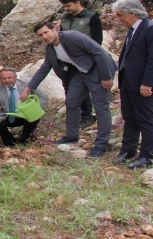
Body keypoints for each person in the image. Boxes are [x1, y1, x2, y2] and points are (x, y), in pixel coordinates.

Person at [21, 22, 117, 158]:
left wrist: (106, 76)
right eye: (41, 35)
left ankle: (101, 145)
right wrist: (29, 88)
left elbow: (99, 52)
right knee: (71, 102)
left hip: (98, 70)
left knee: (101, 107)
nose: (45, 36)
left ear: (55, 29)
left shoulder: (73, 37)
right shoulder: (50, 49)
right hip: (81, 73)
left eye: (46, 32)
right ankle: (72, 135)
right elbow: (44, 68)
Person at [111, 0, 153, 169]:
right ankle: (128, 151)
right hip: (129, 82)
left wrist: (148, 83)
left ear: (132, 13)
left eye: (120, 15)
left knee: (145, 119)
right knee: (130, 118)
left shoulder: (152, 29)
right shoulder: (134, 29)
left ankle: (148, 156)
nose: (118, 19)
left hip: (143, 84)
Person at [59, 0, 104, 129]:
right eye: (64, 6)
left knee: (85, 88)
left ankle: (87, 116)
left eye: (68, 5)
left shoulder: (91, 17)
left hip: (85, 59)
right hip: (68, 59)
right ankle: (75, 116)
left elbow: (97, 41)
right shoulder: (65, 19)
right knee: (71, 87)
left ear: (78, 3)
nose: (66, 9)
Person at [0, 68, 47, 146]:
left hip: (26, 114)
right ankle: (9, 141)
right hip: (9, 116)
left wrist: (35, 110)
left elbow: (44, 97)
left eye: (9, 78)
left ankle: (24, 140)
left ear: (15, 77)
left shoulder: (27, 84)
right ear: (0, 79)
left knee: (34, 118)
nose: (7, 80)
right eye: (4, 78)